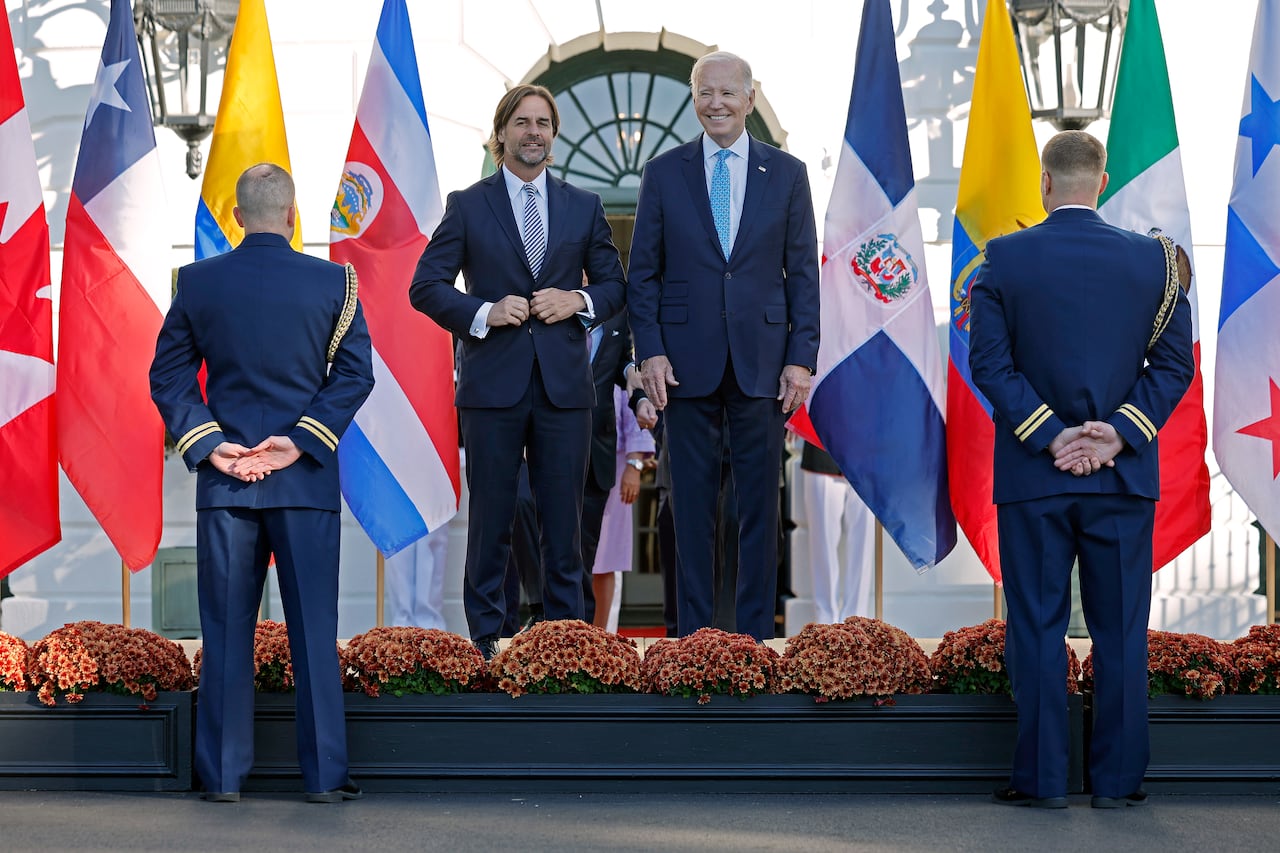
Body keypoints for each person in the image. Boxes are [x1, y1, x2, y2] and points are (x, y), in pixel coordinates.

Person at [968, 131, 1193, 809]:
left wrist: (1052, 437)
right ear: (1101, 181)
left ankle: (1041, 782)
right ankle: (1118, 784)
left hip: (1036, 478)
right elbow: (1175, 366)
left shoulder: (1003, 259)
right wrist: (1117, 436)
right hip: (1121, 480)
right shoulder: (1155, 262)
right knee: (1121, 629)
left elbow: (990, 367)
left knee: (1036, 625)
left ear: (1044, 183)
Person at [149, 163, 374, 804]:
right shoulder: (336, 282)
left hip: (226, 487)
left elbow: (166, 378)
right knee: (312, 632)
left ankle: (221, 777)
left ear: (237, 217)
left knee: (224, 635)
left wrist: (211, 445)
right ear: (294, 214)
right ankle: (325, 777)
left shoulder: (195, 283)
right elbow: (355, 377)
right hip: (302, 480)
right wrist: (298, 441)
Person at [409, 84, 626, 660]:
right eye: (524, 122)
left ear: (553, 135)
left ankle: (568, 645)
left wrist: (577, 301)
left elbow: (614, 286)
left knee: (565, 523)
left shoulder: (584, 205)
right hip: (491, 388)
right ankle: (484, 642)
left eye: (544, 123)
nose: (535, 132)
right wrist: (482, 311)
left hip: (564, 389)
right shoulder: (468, 204)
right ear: (501, 132)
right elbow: (424, 287)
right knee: (491, 522)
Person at [628, 51, 820, 641]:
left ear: (750, 96)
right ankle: (691, 641)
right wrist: (651, 351)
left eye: (727, 93)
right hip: (682, 369)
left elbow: (803, 272)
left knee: (757, 511)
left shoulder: (787, 174)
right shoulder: (663, 173)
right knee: (687, 511)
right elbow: (644, 274)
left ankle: (756, 640)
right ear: (693, 98)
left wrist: (801, 356)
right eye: (705, 92)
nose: (716, 103)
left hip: (763, 364)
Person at [589, 385, 655, 631]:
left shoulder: (618, 347)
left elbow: (633, 409)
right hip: (566, 456)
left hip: (613, 462)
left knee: (605, 560)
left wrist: (634, 465)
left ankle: (600, 638)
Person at [797, 441, 874, 623]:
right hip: (822, 450)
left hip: (867, 455)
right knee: (822, 547)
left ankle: (856, 623)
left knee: (863, 550)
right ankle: (825, 623)